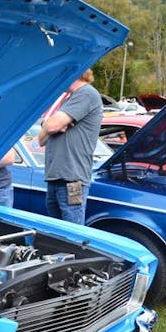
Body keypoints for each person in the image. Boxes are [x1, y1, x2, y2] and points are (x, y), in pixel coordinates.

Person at [37, 68, 102, 224]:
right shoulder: (70, 99)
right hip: (55, 177)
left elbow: (51, 127)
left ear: (73, 73)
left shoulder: (86, 94)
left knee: (71, 233)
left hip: (72, 179)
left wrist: (50, 124)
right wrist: (50, 124)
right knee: (55, 232)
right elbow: (40, 140)